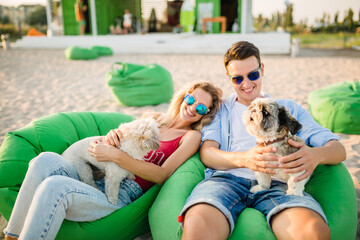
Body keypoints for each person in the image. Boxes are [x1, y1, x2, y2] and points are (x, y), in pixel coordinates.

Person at [3, 82, 223, 240]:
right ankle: (12, 236)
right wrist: (112, 138)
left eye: (201, 108)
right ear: (185, 95)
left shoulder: (191, 137)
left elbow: (162, 174)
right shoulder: (153, 119)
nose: (193, 107)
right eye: (192, 99)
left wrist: (117, 156)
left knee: (54, 187)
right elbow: (120, 136)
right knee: (43, 161)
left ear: (206, 114)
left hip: (121, 192)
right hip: (95, 173)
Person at [180, 41, 346, 240]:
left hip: (279, 185)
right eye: (237, 78)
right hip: (225, 181)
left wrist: (315, 156)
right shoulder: (221, 109)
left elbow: (339, 150)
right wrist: (245, 159)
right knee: (198, 227)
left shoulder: (286, 108)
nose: (246, 84)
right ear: (229, 78)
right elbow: (207, 153)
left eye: (253, 75)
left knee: (312, 232)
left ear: (262, 69)